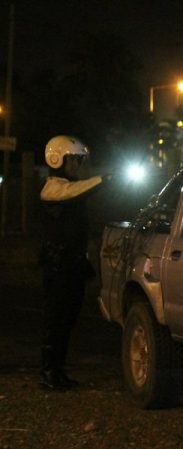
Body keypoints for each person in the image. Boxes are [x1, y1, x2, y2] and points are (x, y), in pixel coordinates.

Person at [39, 135, 109, 390]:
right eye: (76, 160)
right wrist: (105, 179)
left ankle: (57, 371)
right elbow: (72, 192)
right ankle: (49, 373)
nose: (80, 165)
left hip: (72, 264)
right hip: (58, 266)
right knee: (55, 320)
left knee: (67, 319)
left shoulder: (69, 189)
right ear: (59, 160)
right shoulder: (52, 188)